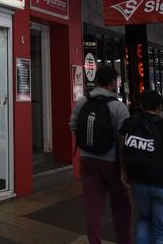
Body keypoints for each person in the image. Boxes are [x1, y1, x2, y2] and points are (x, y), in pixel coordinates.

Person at [70, 66, 131, 244]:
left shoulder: (83, 101)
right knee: (121, 206)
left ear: (96, 81)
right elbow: (123, 140)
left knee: (92, 208)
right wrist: (124, 171)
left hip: (87, 161)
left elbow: (72, 125)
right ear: (112, 83)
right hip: (112, 163)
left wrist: (84, 148)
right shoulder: (119, 107)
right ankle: (124, 240)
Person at [120, 90, 163, 244]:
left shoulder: (130, 122)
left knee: (144, 220)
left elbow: (122, 146)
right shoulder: (160, 125)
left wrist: (124, 173)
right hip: (159, 183)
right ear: (159, 107)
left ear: (140, 105)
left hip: (137, 180)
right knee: (160, 228)